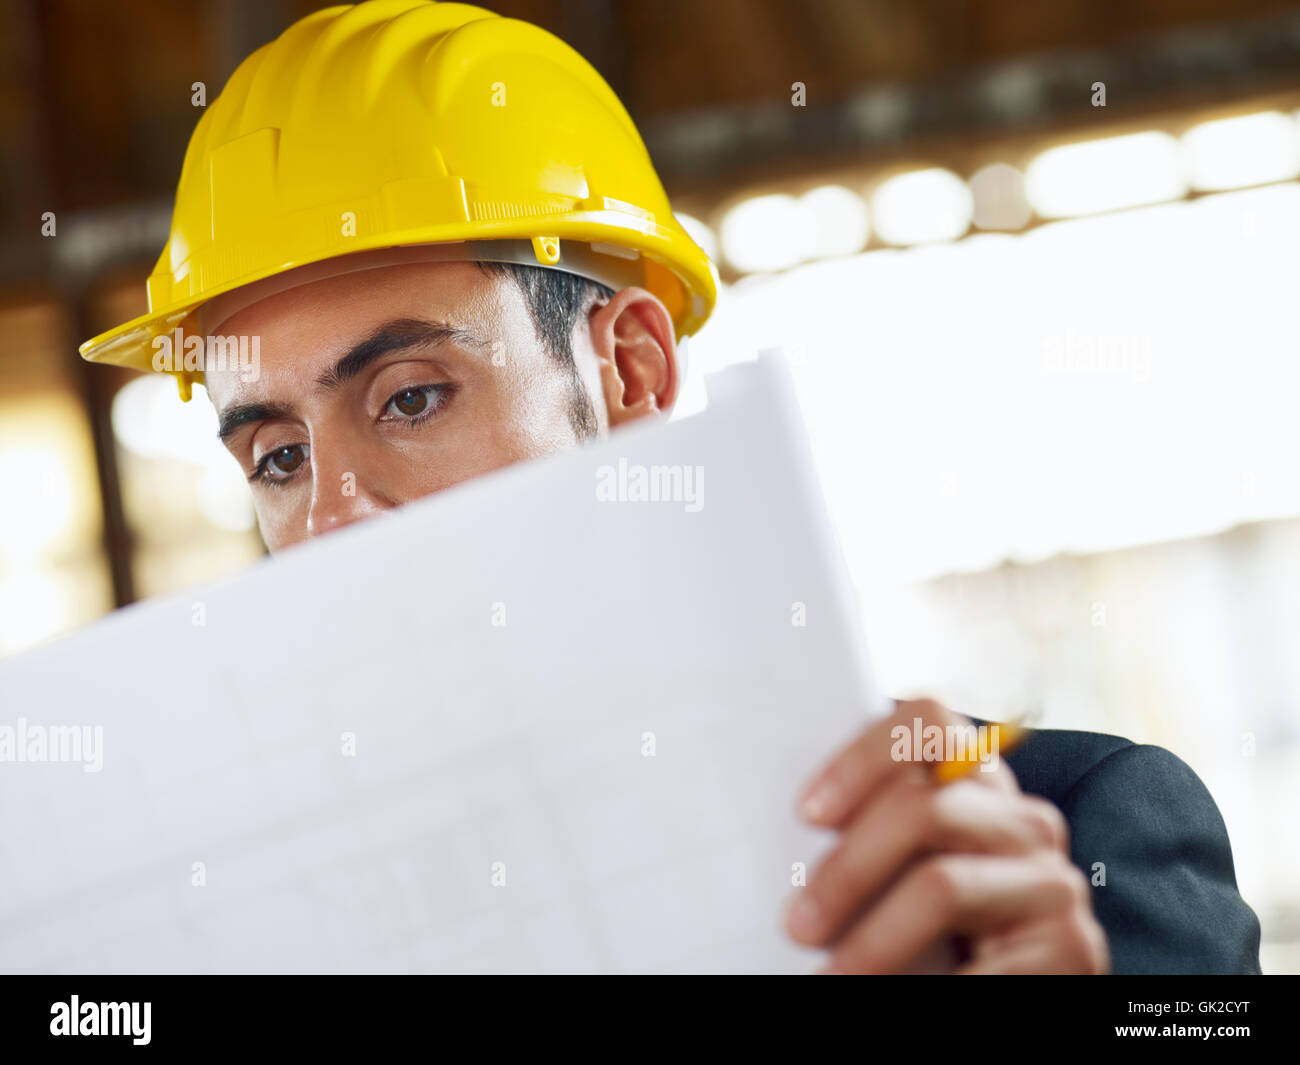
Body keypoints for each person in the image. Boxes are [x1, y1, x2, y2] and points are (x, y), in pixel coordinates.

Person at [79, 0, 1260, 974]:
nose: (332, 518)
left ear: (629, 371)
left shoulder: (1068, 845)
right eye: (277, 457)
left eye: (410, 395)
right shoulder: (243, 942)